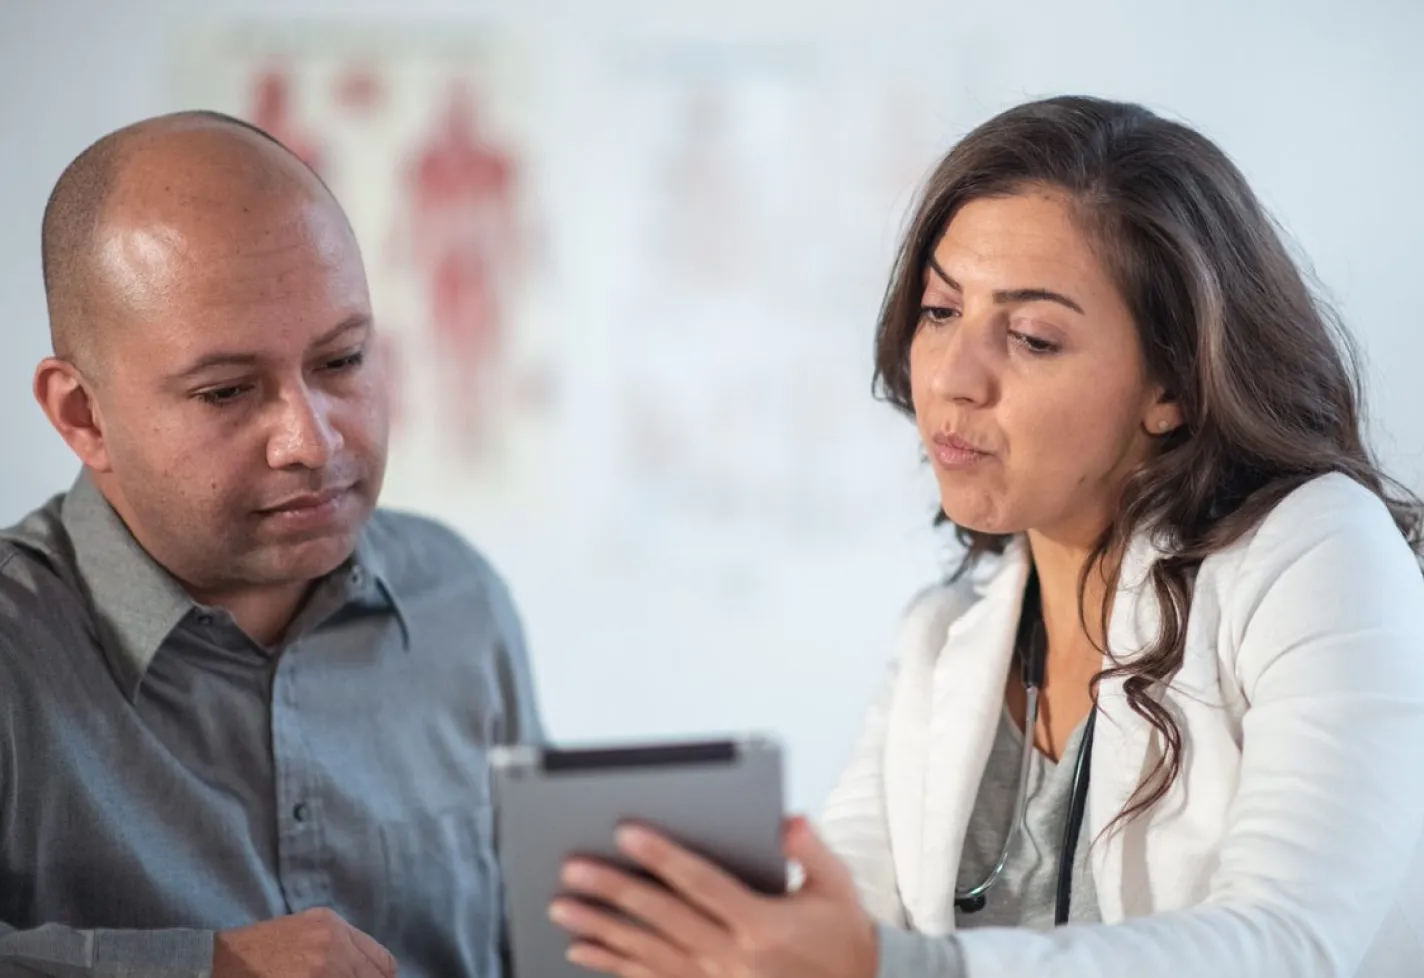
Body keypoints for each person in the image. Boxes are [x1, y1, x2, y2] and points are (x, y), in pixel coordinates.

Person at [544, 95, 1424, 977]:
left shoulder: (1319, 553)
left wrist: (892, 967)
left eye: (1033, 337)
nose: (955, 379)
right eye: (938, 312)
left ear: (1174, 384)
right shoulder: (942, 636)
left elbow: (1292, 946)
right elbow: (844, 919)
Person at [0, 111, 542, 978]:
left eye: (342, 362)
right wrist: (200, 969)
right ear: (83, 415)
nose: (313, 443)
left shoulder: (459, 602)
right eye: (225, 392)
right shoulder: (16, 657)